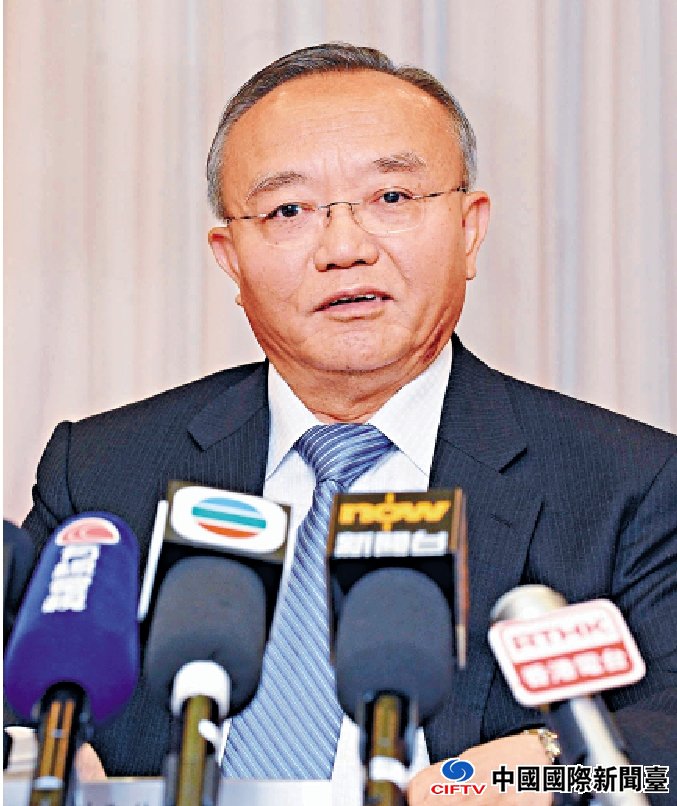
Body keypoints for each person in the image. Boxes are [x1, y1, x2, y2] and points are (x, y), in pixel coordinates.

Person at [16, 43, 676, 804]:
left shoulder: (626, 484)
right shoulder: (103, 471)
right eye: (288, 211)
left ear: (469, 229)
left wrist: (549, 766)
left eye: (391, 197)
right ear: (231, 259)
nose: (344, 249)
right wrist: (39, 754)